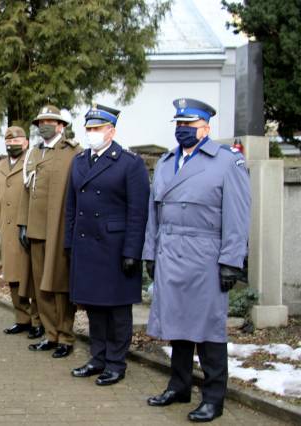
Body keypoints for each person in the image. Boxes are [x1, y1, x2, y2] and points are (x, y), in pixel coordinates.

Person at [143, 98, 250, 422]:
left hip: (205, 258)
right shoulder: (165, 162)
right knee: (178, 327)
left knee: (209, 331)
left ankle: (214, 397)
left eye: (188, 125)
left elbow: (238, 215)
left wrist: (232, 260)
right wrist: (150, 253)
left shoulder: (226, 162)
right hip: (170, 254)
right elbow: (154, 214)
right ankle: (179, 386)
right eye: (178, 125)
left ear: (205, 127)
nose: (182, 130)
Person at [65, 103, 149, 386]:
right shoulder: (78, 162)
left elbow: (138, 212)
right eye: (88, 129)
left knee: (117, 310)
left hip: (115, 248)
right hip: (87, 245)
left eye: (97, 128)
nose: (91, 133)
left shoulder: (129, 163)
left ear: (111, 131)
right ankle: (97, 357)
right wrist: (69, 242)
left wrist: (132, 252)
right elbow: (71, 207)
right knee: (94, 307)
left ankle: (116, 362)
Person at [18, 105, 83, 358]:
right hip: (36, 229)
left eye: (49, 121)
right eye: (40, 122)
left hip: (60, 228)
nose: (43, 125)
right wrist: (23, 223)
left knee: (60, 285)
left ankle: (66, 336)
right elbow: (27, 190)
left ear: (61, 126)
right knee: (41, 287)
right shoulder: (34, 152)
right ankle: (50, 334)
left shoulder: (73, 152)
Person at [0, 126, 44, 339]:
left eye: (17, 141)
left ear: (26, 142)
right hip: (9, 232)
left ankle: (39, 321)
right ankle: (22, 319)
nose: (12, 145)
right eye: (9, 142)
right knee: (13, 279)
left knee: (32, 277)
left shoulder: (33, 161)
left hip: (28, 229)